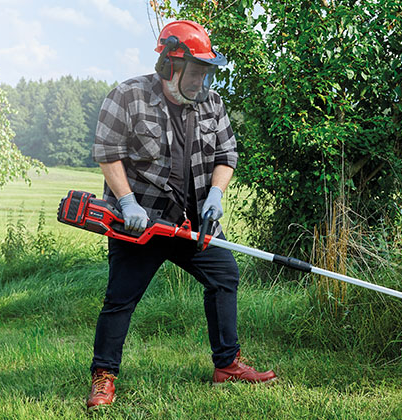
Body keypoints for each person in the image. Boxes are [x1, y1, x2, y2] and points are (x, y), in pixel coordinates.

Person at [86, 20, 277, 410]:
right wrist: (126, 202)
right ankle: (103, 377)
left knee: (225, 276)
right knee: (120, 299)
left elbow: (226, 155)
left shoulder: (212, 102)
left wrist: (216, 194)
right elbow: (107, 152)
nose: (201, 80)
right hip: (141, 223)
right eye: (195, 71)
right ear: (169, 65)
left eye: (206, 72)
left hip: (194, 224)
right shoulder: (128, 96)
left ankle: (227, 364)